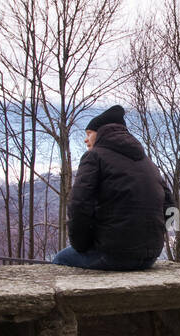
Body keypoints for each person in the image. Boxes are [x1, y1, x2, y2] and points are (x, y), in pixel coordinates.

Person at [51, 105, 168, 271]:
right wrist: (163, 237)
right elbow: (171, 206)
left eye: (88, 134)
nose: (86, 140)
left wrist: (81, 245)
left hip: (113, 254)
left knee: (60, 259)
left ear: (100, 133)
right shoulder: (148, 163)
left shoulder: (94, 156)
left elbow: (79, 204)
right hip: (150, 256)